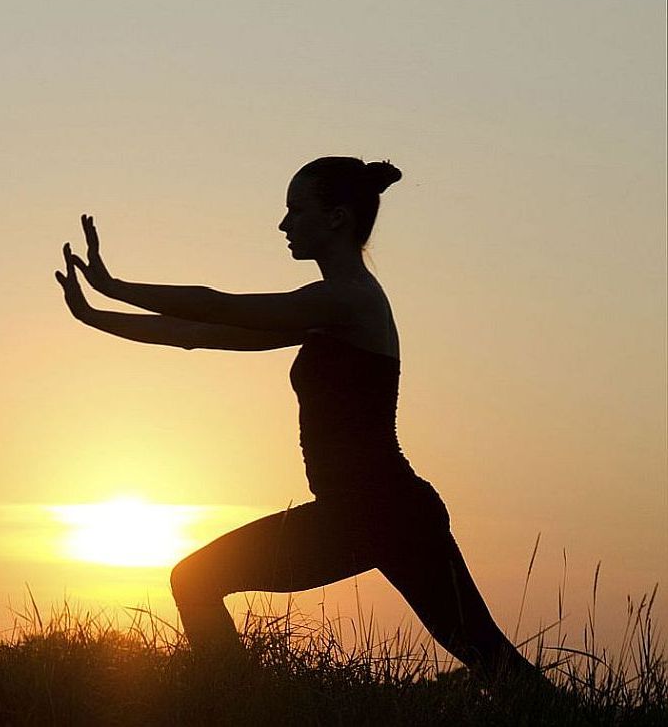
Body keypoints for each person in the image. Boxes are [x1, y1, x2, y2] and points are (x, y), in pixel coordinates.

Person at [53, 156, 540, 685]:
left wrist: (116, 287)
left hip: (385, 511)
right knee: (496, 666)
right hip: (366, 513)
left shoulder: (346, 300)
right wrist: (97, 315)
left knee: (194, 579)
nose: (284, 225)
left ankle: (236, 707)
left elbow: (219, 307)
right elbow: (202, 332)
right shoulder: (324, 312)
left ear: (336, 218)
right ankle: (239, 706)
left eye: (295, 210)